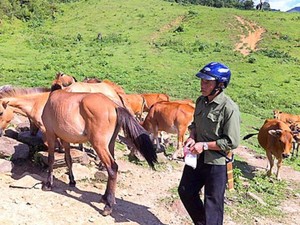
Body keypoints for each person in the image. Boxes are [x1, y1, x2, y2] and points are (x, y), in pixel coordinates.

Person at [178, 62, 240, 225]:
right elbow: (195, 125)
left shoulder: (229, 108)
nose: (202, 85)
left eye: (207, 82)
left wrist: (204, 145)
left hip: (216, 163)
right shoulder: (201, 101)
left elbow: (231, 142)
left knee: (213, 205)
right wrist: (192, 136)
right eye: (202, 81)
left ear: (220, 85)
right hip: (196, 158)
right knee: (185, 191)